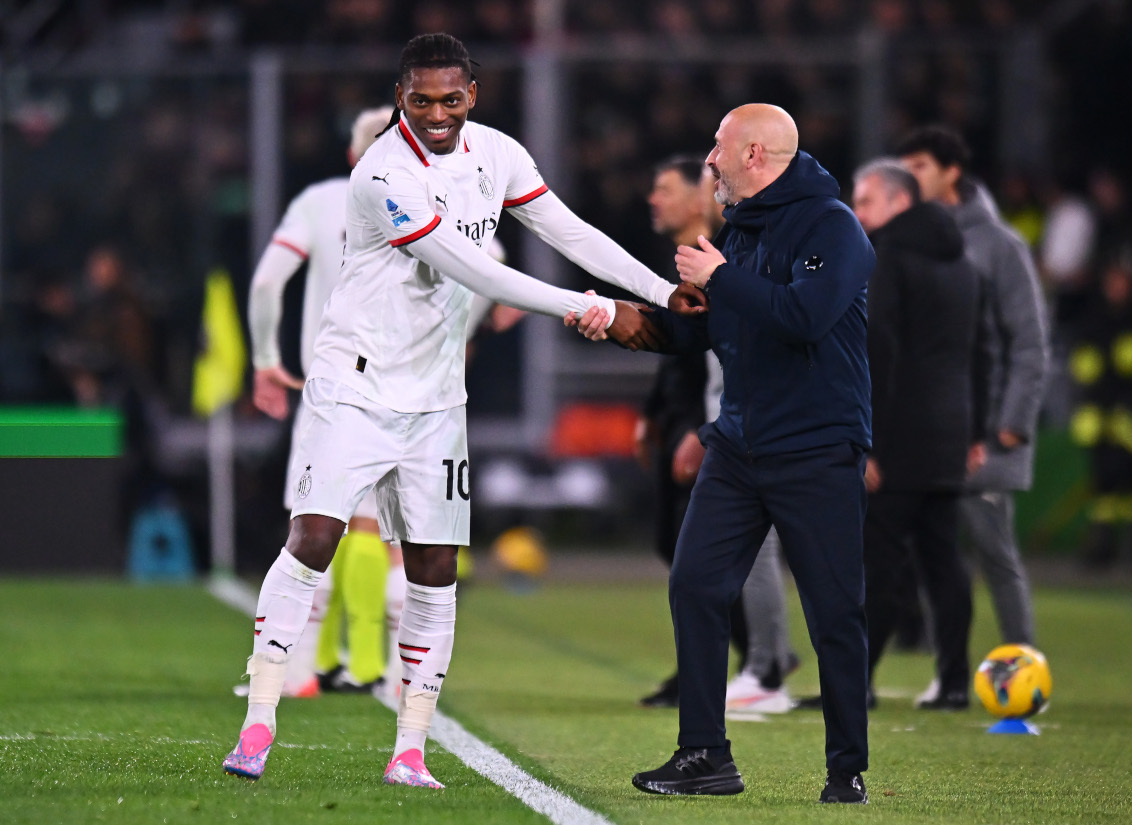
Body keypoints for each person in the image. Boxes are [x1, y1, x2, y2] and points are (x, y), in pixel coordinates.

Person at [222, 32, 702, 788]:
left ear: (472, 93)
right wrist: (594, 310)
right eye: (421, 100)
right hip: (354, 383)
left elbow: (565, 228)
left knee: (434, 567)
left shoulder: (497, 155)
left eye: (451, 98)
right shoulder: (382, 174)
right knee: (313, 537)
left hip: (438, 397)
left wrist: (654, 290)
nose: (437, 113)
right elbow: (475, 269)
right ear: (400, 98)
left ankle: (410, 748)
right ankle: (260, 721)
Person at [574, 103, 874, 803]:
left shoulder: (833, 226)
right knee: (695, 584)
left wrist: (719, 278)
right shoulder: (736, 233)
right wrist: (621, 322)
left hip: (816, 446)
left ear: (755, 157)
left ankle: (845, 769)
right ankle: (705, 753)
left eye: (718, 147)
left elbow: (805, 316)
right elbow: (696, 335)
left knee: (835, 610)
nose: (709, 159)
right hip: (738, 444)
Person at [636, 157, 798, 713]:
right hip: (727, 421)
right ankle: (761, 665)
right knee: (721, 557)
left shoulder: (746, 248)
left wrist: (705, 429)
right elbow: (696, 343)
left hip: (749, 423)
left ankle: (769, 667)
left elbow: (754, 342)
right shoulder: (724, 250)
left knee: (758, 554)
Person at [247, 105, 395, 699]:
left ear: (353, 155)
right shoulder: (441, 201)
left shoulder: (322, 200)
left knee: (310, 528)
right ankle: (374, 665)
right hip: (407, 392)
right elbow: (494, 276)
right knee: (380, 533)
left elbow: (264, 283)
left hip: (332, 386)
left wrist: (263, 360)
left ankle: (296, 670)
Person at [898, 126, 1049, 661]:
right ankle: (947, 671)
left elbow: (1028, 341)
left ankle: (1024, 663)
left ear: (950, 171)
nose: (908, 177)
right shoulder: (910, 238)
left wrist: (1009, 422)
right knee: (922, 549)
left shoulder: (999, 244)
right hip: (926, 424)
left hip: (981, 429)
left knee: (992, 551)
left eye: (918, 166)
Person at [849, 159, 987, 710]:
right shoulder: (963, 264)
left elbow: (880, 349)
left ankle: (856, 683)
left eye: (866, 201)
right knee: (943, 559)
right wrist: (973, 428)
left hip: (899, 431)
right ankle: (954, 680)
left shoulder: (889, 258)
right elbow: (978, 351)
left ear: (899, 202)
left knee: (876, 561)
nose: (857, 213)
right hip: (950, 429)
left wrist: (868, 438)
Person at [1068, 253, 1132, 567]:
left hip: (1131, 414)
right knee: (1102, 479)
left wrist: (1131, 409)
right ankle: (1102, 544)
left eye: (1122, 281)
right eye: (1112, 280)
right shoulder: (1095, 318)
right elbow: (1084, 365)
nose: (1116, 286)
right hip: (1100, 413)